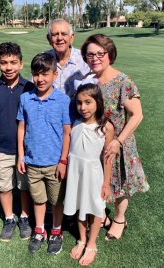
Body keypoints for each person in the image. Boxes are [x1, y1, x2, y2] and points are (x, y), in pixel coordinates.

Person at [80, 34, 149, 240]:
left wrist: (118, 141)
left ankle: (119, 219)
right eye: (90, 54)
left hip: (118, 143)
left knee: (120, 183)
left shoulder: (122, 81)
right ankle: (101, 215)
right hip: (96, 144)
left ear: (110, 54)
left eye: (100, 53)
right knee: (98, 181)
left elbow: (137, 115)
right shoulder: (91, 82)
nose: (95, 58)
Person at [0, 42, 35, 241]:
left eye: (13, 62)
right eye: (4, 63)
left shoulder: (30, 87)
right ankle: (10, 218)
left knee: (25, 186)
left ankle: (25, 217)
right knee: (4, 186)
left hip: (26, 149)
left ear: (21, 64)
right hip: (1, 148)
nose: (8, 67)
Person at [17, 53, 72, 255]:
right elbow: (21, 128)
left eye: (45, 74)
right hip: (32, 162)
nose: (40, 79)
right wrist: (21, 156)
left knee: (56, 200)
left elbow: (67, 132)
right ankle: (39, 229)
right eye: (36, 74)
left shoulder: (63, 100)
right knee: (38, 200)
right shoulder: (26, 98)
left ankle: (56, 230)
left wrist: (64, 160)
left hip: (55, 163)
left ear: (55, 75)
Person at [64, 83, 114, 266]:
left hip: (94, 174)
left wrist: (106, 184)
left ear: (98, 102)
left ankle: (92, 244)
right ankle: (82, 239)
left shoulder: (106, 127)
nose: (83, 107)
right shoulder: (75, 123)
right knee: (79, 206)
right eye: (79, 103)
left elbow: (108, 158)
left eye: (88, 102)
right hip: (76, 172)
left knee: (95, 208)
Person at [46, 18, 90, 98]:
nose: (59, 38)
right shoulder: (43, 59)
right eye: (55, 34)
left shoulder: (85, 59)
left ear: (71, 38)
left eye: (64, 34)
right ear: (49, 39)